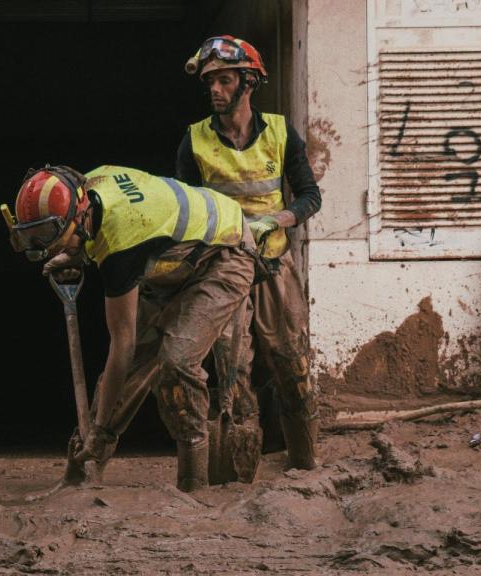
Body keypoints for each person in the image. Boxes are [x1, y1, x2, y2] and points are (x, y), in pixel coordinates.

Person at [7, 164, 270, 492]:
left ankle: (193, 483)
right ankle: (81, 476)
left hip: (225, 254)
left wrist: (100, 429)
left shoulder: (122, 240)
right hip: (174, 255)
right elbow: (99, 233)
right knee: (128, 370)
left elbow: (123, 344)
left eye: (58, 242)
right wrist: (76, 252)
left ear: (81, 214)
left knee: (177, 361)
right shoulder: (90, 187)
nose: (54, 250)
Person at [176, 35, 323, 476]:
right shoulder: (194, 142)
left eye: (224, 80)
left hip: (275, 267)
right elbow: (184, 209)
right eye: (211, 83)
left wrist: (277, 220)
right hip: (223, 272)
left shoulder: (280, 132)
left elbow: (310, 197)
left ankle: (306, 468)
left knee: (294, 369)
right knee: (232, 377)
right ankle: (235, 480)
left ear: (249, 82)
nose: (216, 91)